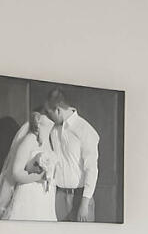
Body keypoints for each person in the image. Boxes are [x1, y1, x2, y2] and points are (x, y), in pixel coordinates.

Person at [39, 87, 103, 221]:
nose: (49, 117)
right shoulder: (53, 130)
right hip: (58, 197)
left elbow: (91, 169)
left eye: (50, 113)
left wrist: (84, 204)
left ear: (58, 110)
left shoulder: (85, 130)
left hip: (81, 199)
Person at [0, 102, 57, 221]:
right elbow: (16, 172)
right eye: (47, 115)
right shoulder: (29, 139)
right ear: (38, 120)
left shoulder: (50, 142)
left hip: (45, 197)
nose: (51, 119)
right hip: (29, 193)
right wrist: (38, 177)